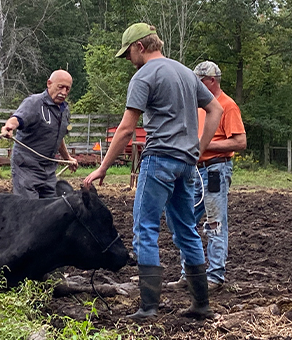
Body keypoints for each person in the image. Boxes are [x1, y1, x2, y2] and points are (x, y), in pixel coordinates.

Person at [83, 23, 224, 320]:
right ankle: (202, 304)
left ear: (140, 47)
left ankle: (148, 307)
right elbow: (216, 110)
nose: (128, 60)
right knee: (186, 229)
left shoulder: (143, 76)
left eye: (128, 53)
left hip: (159, 159)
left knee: (144, 229)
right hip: (186, 164)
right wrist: (198, 149)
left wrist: (102, 167)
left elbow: (125, 129)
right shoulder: (186, 72)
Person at [166, 61, 247, 291]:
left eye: (199, 82)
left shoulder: (227, 106)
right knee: (185, 219)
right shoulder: (199, 106)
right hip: (195, 169)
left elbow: (240, 142)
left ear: (211, 81)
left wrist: (205, 145)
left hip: (215, 169)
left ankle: (215, 275)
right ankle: (189, 272)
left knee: (215, 222)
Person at [1, 69, 78, 198]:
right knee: (29, 209)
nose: (64, 92)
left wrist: (67, 158)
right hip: (26, 167)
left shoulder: (64, 110)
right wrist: (9, 126)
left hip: (48, 171)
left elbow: (58, 137)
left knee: (51, 208)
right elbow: (17, 119)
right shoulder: (34, 103)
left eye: (67, 89)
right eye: (60, 87)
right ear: (49, 83)